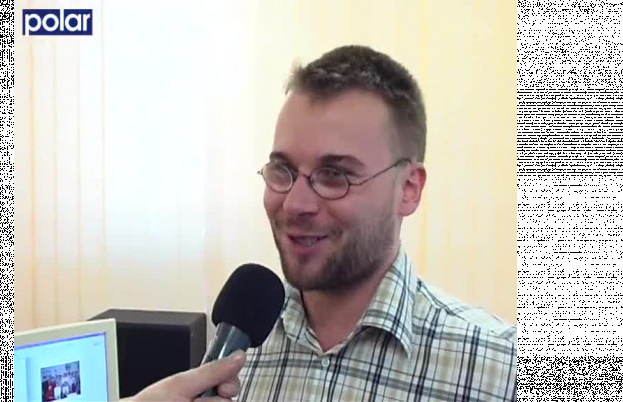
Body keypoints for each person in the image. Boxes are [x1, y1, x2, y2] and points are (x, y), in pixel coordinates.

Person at [132, 45, 515, 401]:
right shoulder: (238, 351)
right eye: (282, 170)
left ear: (408, 189)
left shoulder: (503, 368)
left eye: (334, 176)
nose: (295, 204)